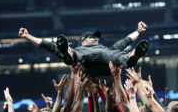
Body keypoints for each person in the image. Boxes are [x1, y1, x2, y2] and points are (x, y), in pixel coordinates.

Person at [18, 21, 148, 76]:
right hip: (87, 64)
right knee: (74, 54)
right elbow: (49, 46)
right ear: (83, 42)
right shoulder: (81, 49)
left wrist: (139, 30)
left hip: (107, 64)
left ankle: (130, 58)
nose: (96, 38)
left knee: (118, 54)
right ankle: (69, 55)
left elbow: (126, 40)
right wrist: (28, 36)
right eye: (92, 37)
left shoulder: (106, 48)